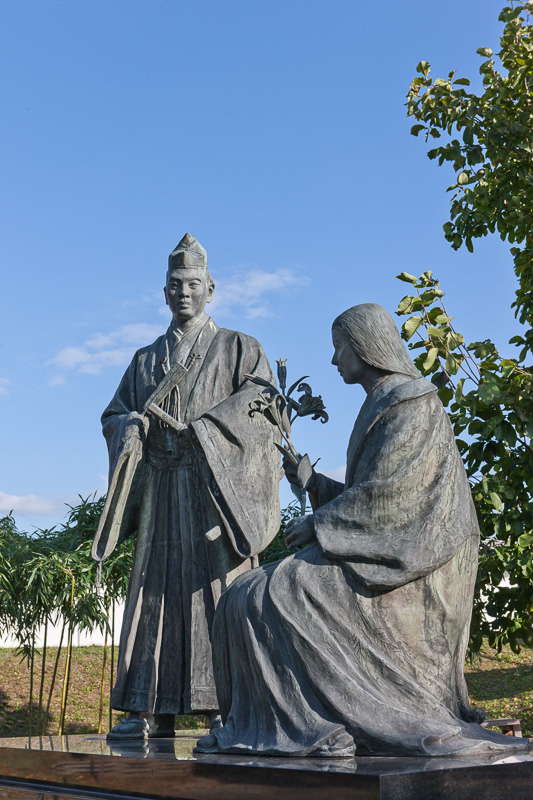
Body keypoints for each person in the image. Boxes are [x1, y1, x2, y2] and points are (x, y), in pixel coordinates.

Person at [195, 303, 529, 757]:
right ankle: (279, 725)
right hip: (382, 554)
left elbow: (396, 501)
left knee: (272, 593)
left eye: (340, 348)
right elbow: (375, 493)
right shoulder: (383, 402)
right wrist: (314, 485)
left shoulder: (412, 404)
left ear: (366, 346)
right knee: (243, 593)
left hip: (414, 572)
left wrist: (319, 523)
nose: (335, 360)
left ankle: (314, 726)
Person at [92, 233, 280, 740]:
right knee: (153, 595)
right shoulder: (144, 359)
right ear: (164, 291)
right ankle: (145, 708)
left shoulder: (241, 348)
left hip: (216, 493)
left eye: (193, 284)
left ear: (211, 288)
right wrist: (130, 426)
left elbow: (263, 406)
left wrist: (204, 431)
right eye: (175, 284)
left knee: (219, 594)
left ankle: (227, 706)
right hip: (159, 489)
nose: (184, 292)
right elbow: (113, 413)